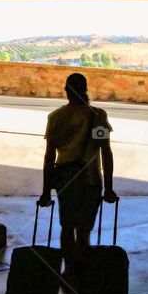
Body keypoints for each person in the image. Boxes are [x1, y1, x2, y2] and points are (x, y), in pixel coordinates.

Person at [38, 73, 118, 281]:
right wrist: (108, 188)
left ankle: (69, 272)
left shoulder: (55, 118)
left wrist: (46, 191)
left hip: (66, 181)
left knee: (67, 228)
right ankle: (83, 275)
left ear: (66, 91)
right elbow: (105, 152)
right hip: (90, 181)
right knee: (84, 232)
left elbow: (49, 156)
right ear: (85, 89)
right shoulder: (98, 116)